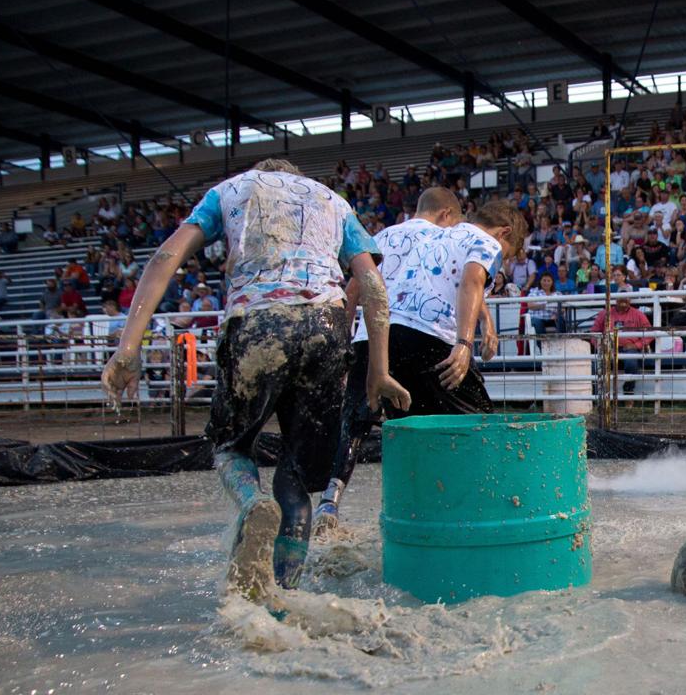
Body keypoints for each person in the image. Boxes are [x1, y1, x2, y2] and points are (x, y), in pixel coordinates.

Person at [100, 158, 408, 602]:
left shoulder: (232, 189)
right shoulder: (333, 201)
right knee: (298, 476)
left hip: (258, 323)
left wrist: (129, 348)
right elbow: (374, 286)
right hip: (326, 325)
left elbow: (165, 256)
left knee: (230, 445)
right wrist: (378, 371)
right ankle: (284, 594)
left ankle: (252, 503)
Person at [314, 187, 485, 534]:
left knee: (356, 420)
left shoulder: (380, 237)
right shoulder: (451, 236)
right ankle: (471, 500)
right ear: (446, 214)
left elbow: (351, 293)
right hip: (427, 333)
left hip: (371, 338)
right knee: (472, 416)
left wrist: (346, 345)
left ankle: (330, 499)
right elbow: (470, 281)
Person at [369, 199, 526, 415]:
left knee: (411, 422)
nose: (503, 261)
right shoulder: (488, 243)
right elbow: (472, 281)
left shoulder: (437, 236)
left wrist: (486, 319)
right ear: (504, 233)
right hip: (432, 335)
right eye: (507, 255)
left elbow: (453, 278)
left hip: (392, 334)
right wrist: (464, 343)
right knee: (477, 421)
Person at [590, 292, 653, 394]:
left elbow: (650, 333)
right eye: (621, 298)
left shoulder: (638, 314)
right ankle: (598, 395)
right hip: (609, 347)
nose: (624, 300)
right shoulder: (604, 313)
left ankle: (628, 392)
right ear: (615, 300)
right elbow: (594, 332)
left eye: (626, 298)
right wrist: (601, 346)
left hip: (630, 348)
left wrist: (636, 345)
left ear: (630, 300)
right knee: (596, 364)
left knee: (631, 363)